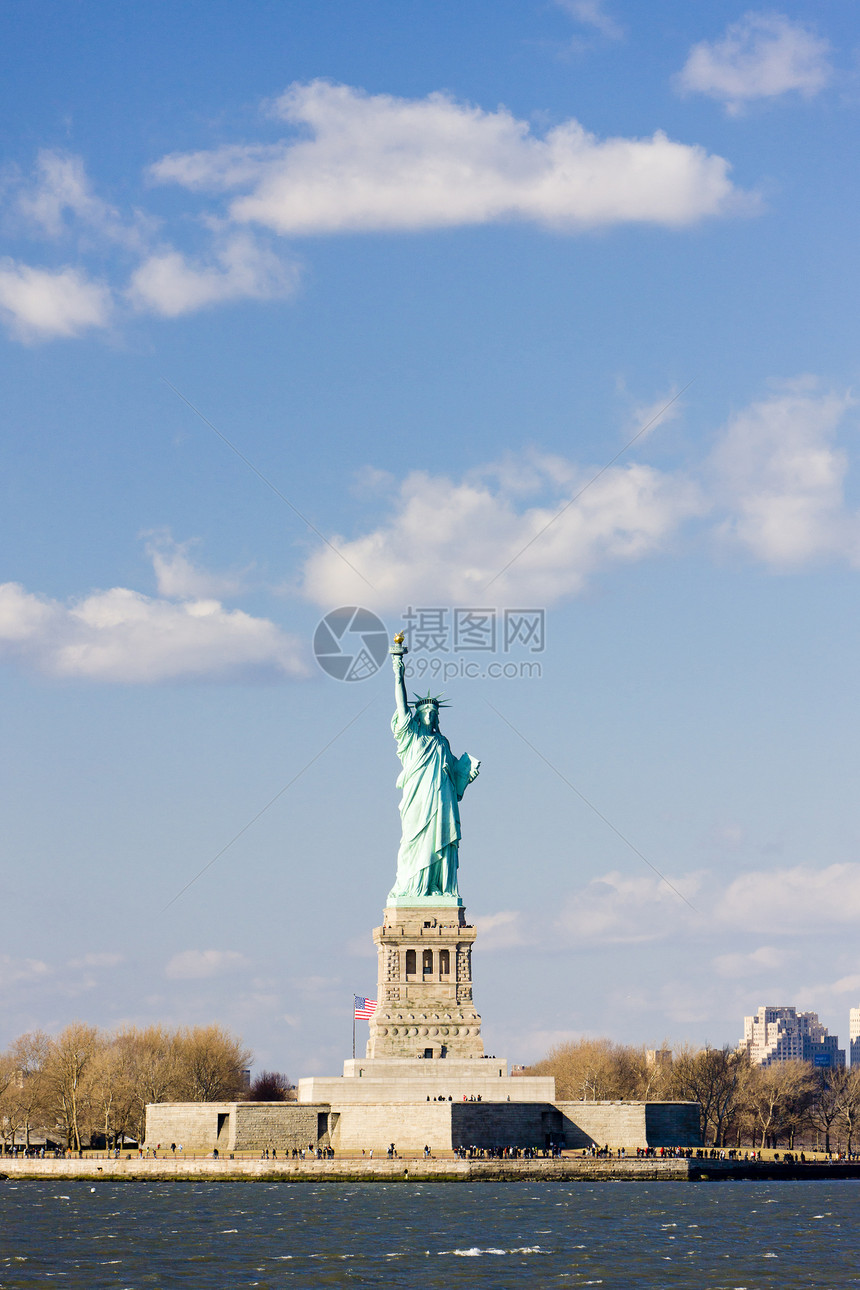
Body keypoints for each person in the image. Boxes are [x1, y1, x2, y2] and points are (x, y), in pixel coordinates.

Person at [388, 650, 480, 900]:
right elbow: (400, 704)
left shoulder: (442, 742)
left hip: (442, 799)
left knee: (439, 838)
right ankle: (414, 887)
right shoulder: (411, 738)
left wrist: (465, 773)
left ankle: (438, 887)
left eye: (433, 712)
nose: (429, 714)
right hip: (417, 800)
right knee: (413, 840)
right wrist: (399, 673)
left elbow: (454, 776)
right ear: (417, 716)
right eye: (425, 711)